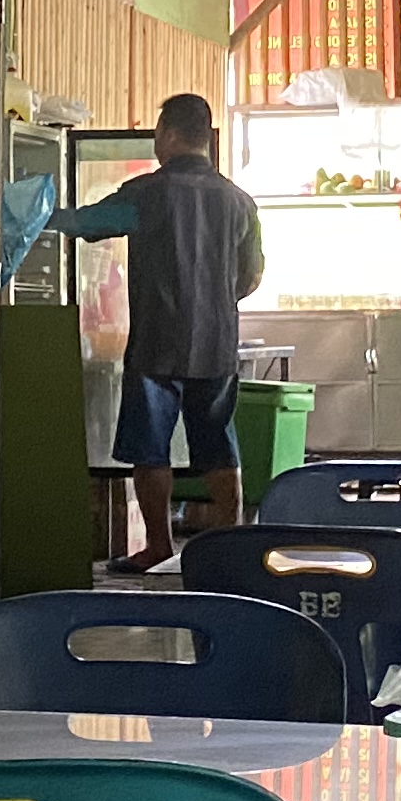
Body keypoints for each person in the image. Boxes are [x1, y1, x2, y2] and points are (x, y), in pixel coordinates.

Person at [51, 91, 267, 573]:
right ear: (205, 138)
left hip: (156, 343)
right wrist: (214, 301)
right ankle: (229, 545)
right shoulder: (239, 201)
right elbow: (253, 275)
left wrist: (38, 213)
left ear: (167, 133)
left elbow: (88, 224)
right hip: (216, 343)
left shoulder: (146, 193)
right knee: (218, 444)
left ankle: (158, 546)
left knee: (151, 449)